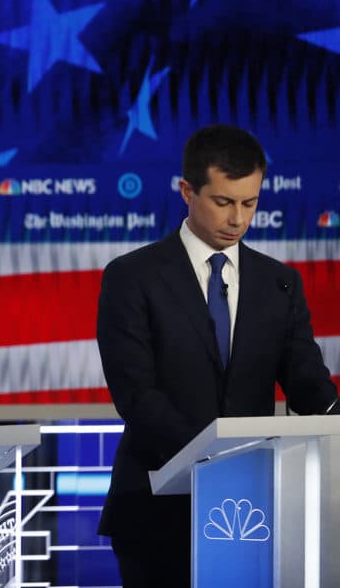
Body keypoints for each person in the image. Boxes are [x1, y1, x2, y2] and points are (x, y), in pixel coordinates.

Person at [96, 124, 338, 587]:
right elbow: (136, 395)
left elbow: (308, 384)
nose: (238, 219)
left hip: (255, 511)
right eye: (224, 202)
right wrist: (215, 458)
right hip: (156, 509)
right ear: (187, 191)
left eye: (250, 203)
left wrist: (334, 420)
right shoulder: (132, 277)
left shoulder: (279, 283)